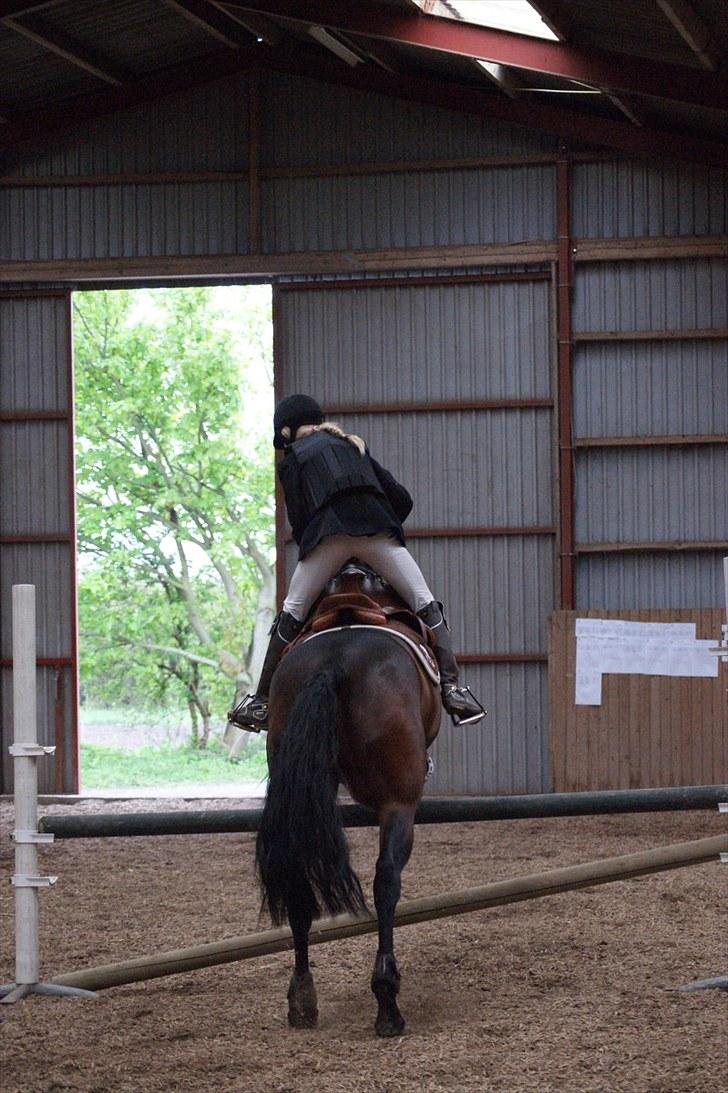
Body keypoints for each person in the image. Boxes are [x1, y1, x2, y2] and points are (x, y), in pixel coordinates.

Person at [229, 394, 485, 730]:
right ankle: (454, 689)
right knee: (424, 602)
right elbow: (402, 499)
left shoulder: (292, 459)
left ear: (288, 432)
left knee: (291, 612)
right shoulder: (354, 446)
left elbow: (300, 521)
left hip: (328, 539)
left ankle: (260, 702)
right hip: (377, 534)